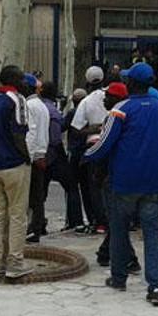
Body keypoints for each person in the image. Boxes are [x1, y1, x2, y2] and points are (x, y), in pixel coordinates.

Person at [85, 62, 158, 306]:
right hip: (154, 181)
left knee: (118, 229)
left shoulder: (121, 109)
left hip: (125, 180)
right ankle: (156, 286)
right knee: (152, 233)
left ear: (131, 84)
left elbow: (105, 144)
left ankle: (119, 277)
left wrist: (87, 156)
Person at [0, 66, 35, 283]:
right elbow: (19, 133)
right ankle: (14, 264)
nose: (25, 82)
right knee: (17, 215)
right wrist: (27, 157)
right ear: (14, 80)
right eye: (21, 78)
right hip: (13, 164)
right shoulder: (18, 100)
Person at [93, 83, 142, 273]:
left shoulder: (115, 117)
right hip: (128, 172)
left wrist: (99, 171)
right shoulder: (129, 116)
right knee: (117, 217)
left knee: (116, 219)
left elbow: (106, 148)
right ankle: (105, 252)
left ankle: (129, 259)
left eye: (109, 96)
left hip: (114, 174)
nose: (105, 99)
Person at [39, 81, 84, 231]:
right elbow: (56, 137)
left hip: (40, 152)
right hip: (54, 153)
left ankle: (38, 224)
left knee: (40, 191)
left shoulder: (37, 107)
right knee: (71, 186)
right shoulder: (53, 111)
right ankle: (76, 221)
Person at [72, 66, 110, 234]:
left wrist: (93, 129)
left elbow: (76, 128)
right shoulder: (112, 96)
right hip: (112, 145)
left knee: (94, 186)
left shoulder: (86, 102)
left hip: (93, 146)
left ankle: (99, 221)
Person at [25, 74, 50, 243]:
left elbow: (31, 132)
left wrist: (28, 155)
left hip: (33, 155)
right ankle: (37, 227)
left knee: (30, 196)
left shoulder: (28, 105)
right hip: (41, 153)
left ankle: (33, 229)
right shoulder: (42, 105)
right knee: (37, 195)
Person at [63, 88, 89, 230]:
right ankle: (91, 218)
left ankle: (75, 220)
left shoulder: (73, 113)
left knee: (72, 187)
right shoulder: (88, 110)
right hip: (86, 152)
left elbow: (62, 126)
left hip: (75, 152)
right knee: (86, 187)